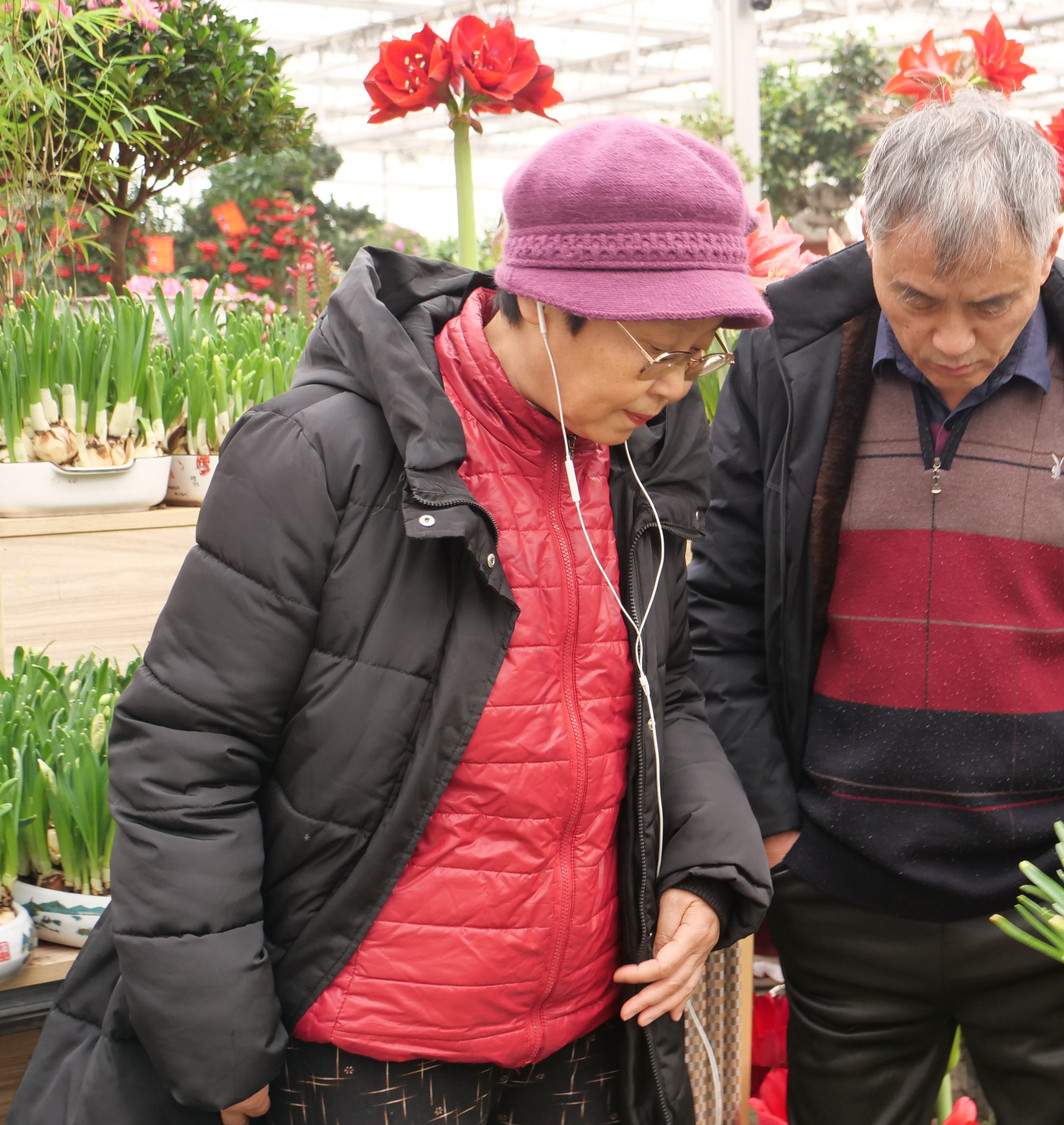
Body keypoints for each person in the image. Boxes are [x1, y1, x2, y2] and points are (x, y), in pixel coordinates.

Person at [10, 120, 773, 1125]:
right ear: (545, 302)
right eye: (658, 351)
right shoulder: (325, 458)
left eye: (698, 354)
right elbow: (187, 748)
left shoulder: (636, 460)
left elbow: (662, 692)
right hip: (367, 1046)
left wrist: (706, 865)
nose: (678, 384)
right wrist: (218, 1033)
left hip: (582, 1035)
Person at [689, 91, 1064, 1125]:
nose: (952, 339)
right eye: (913, 298)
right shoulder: (786, 370)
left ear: (1048, 251)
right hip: (844, 884)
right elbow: (720, 613)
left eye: (992, 303)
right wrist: (777, 832)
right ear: (868, 242)